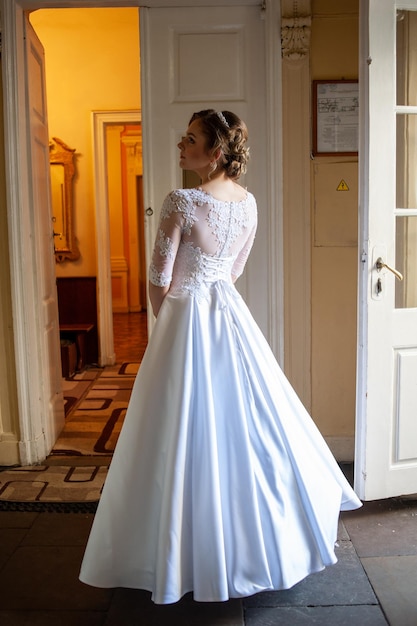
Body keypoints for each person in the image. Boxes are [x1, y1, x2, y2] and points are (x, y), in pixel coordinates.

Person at [79, 109, 362, 604]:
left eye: (190, 139)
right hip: (228, 314)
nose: (180, 146)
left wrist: (170, 324)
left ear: (214, 153)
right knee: (242, 423)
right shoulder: (249, 204)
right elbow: (233, 271)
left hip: (187, 315)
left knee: (177, 429)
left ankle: (176, 553)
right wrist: (208, 300)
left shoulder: (181, 201)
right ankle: (254, 544)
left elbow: (158, 280)